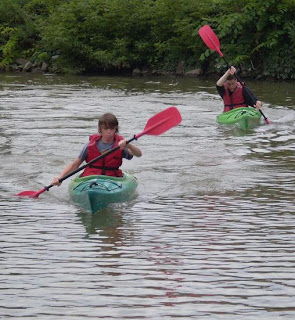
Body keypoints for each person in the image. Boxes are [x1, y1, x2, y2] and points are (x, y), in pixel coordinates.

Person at [51, 113, 142, 186]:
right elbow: (75, 164)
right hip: (90, 178)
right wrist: (60, 177)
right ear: (100, 129)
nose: (109, 132)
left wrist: (129, 146)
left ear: (116, 129)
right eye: (105, 128)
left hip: (112, 179)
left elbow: (139, 154)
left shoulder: (121, 144)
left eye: (111, 128)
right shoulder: (89, 145)